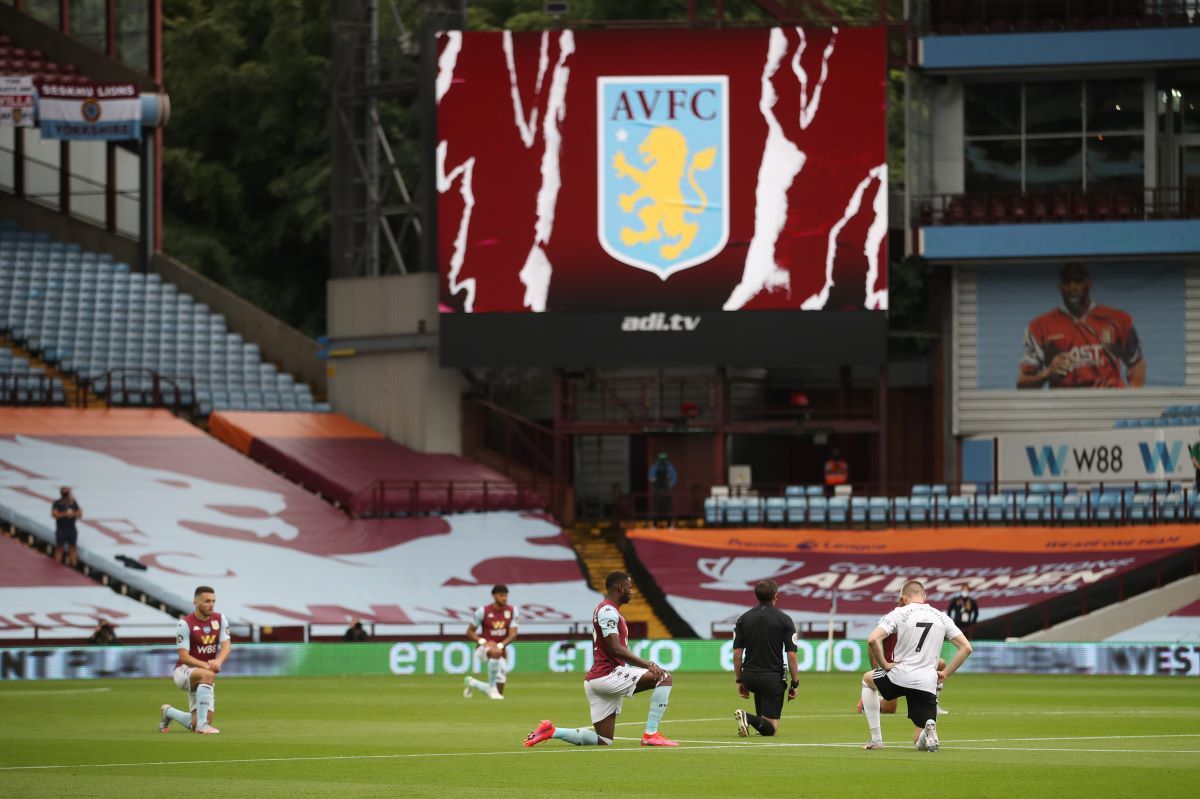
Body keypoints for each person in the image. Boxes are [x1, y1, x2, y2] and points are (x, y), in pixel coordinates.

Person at [523, 571, 677, 748]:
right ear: (620, 587)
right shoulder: (607, 611)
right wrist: (647, 664)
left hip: (596, 680)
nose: (632, 591)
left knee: (603, 740)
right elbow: (615, 648)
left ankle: (552, 731)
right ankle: (651, 734)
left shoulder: (609, 611)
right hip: (607, 675)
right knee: (664, 678)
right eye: (630, 587)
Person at [860, 580, 972, 752]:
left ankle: (876, 739)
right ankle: (928, 729)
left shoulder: (899, 613)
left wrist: (885, 665)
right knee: (919, 743)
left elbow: (873, 639)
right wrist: (947, 673)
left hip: (899, 675)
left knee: (867, 680)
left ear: (903, 598)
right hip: (927, 682)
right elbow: (966, 648)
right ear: (924, 597)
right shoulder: (942, 616)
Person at [1017, 262, 1145, 389]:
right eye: (1067, 282)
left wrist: (1132, 397)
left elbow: (1136, 363)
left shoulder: (1118, 320)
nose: (1073, 287)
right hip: (1066, 405)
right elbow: (1022, 382)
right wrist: (1047, 374)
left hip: (1109, 403)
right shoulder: (1040, 327)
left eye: (1078, 281)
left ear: (1089, 284)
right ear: (1060, 286)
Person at [732, 578, 800, 738]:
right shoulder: (784, 619)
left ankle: (758, 723)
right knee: (771, 729)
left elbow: (737, 653)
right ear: (775, 596)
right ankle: (747, 717)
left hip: (750, 676)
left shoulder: (743, 619)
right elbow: (791, 655)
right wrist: (795, 683)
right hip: (772, 677)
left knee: (763, 721)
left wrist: (740, 680)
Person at [159, 585, 230, 735]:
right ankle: (203, 726)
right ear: (196, 603)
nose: (211, 605)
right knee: (208, 675)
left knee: (195, 722)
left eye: (213, 601)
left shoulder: (220, 619)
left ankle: (168, 712)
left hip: (204, 674)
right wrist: (206, 665)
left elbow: (226, 646)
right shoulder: (184, 624)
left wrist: (218, 661)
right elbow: (183, 656)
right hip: (184, 671)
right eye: (207, 601)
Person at [464, 583, 518, 700]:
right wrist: (483, 641)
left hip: (499, 649)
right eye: (501, 595)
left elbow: (513, 634)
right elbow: (470, 632)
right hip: (482, 649)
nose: (504, 598)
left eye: (506, 595)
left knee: (498, 694)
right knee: (494, 652)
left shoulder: (512, 611)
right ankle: (491, 687)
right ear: (494, 596)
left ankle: (472, 683)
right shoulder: (483, 611)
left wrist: (499, 645)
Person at [51, 486, 82, 568]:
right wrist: (64, 514)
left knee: (73, 548)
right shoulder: (57, 503)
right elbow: (54, 514)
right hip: (61, 529)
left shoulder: (73, 503)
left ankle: (74, 565)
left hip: (71, 529)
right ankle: (57, 566)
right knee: (59, 548)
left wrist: (72, 514)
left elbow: (79, 513)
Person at [648, 452, 678, 525]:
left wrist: (669, 485)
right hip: (657, 490)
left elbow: (674, 479)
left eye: (663, 460)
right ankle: (655, 524)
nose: (662, 462)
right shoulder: (655, 467)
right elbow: (650, 477)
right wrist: (656, 481)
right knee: (656, 507)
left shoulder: (670, 467)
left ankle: (669, 524)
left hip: (666, 490)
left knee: (668, 507)